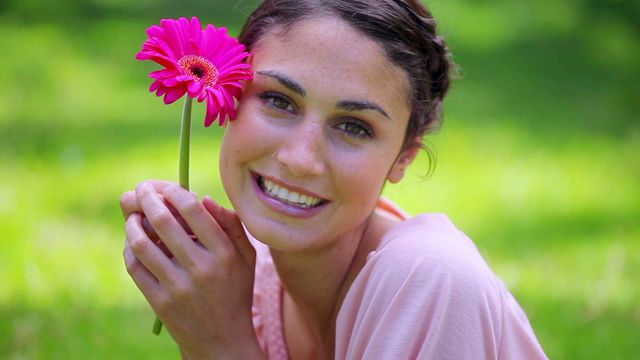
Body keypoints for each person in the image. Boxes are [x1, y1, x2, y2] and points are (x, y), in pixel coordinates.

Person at [120, 0, 548, 358]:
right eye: (278, 100)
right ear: (230, 91)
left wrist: (222, 344)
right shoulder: (247, 279)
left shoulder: (431, 278)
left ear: (403, 157)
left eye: (355, 127)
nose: (301, 159)